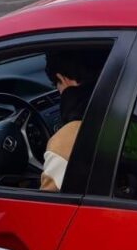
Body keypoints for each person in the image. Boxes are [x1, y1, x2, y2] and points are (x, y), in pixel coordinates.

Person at [40, 49, 106, 191]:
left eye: (57, 86)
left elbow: (47, 207)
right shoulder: (135, 116)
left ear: (62, 78)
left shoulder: (65, 141)